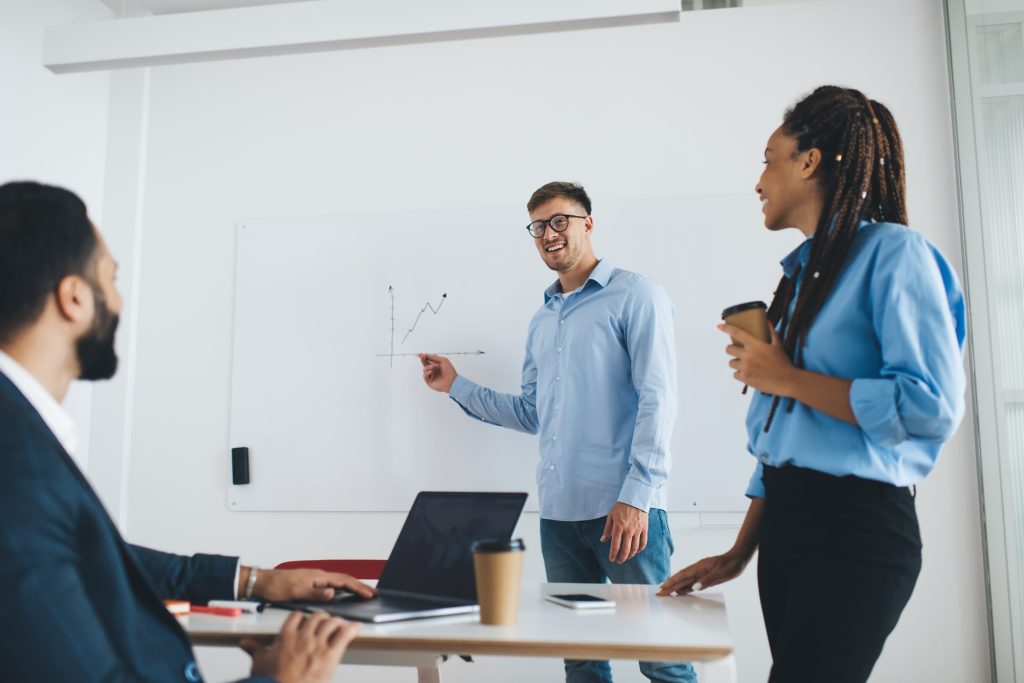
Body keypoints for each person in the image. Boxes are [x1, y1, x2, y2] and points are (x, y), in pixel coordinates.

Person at [0, 181, 376, 683]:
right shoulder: (17, 464)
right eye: (111, 278)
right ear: (74, 298)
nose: (118, 299)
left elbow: (95, 558)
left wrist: (256, 581)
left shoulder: (22, 433)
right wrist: (280, 679)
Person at [658, 86, 966, 683]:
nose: (758, 182)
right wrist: (738, 552)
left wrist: (787, 378)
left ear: (809, 161)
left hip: (856, 529)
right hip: (789, 528)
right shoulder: (802, 280)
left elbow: (929, 407)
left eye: (769, 159)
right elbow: (784, 445)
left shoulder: (896, 256)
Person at [420, 182, 695, 683]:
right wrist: (456, 386)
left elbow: (659, 400)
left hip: (625, 513)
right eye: (538, 226)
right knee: (581, 659)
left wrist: (637, 496)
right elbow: (531, 413)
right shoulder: (543, 319)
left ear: (588, 223)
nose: (548, 234)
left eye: (559, 221)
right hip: (561, 518)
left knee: (663, 659)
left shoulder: (637, 295)